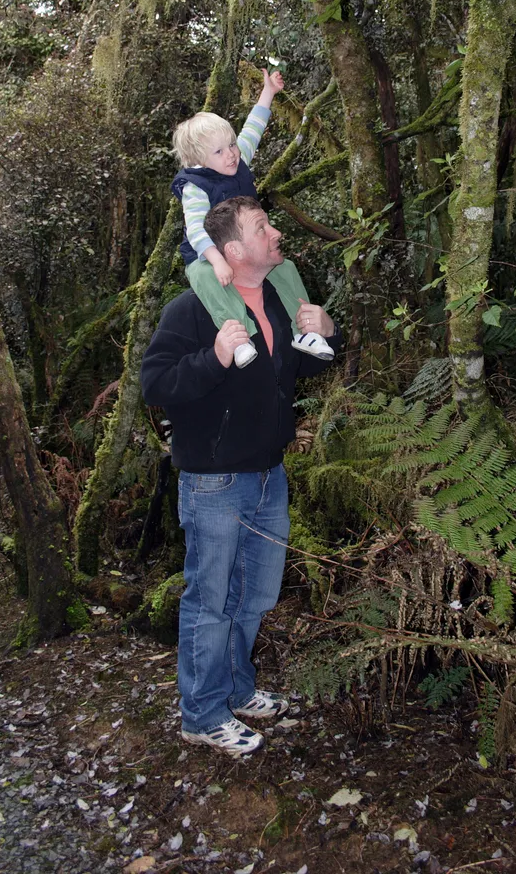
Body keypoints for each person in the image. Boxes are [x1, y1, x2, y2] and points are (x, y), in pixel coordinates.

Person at [141, 195, 341, 757]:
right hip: (214, 482)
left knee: (255, 595)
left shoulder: (277, 299)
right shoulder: (191, 309)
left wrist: (328, 331)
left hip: (268, 475)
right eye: (263, 227)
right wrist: (215, 358)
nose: (275, 233)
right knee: (210, 600)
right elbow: (154, 386)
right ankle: (202, 714)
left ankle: (237, 689)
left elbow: (300, 366)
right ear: (234, 249)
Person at [170, 68, 334, 368]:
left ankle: (304, 332)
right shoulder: (195, 187)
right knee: (206, 277)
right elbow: (194, 229)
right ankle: (240, 336)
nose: (231, 154)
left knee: (286, 268)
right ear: (198, 160)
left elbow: (253, 128)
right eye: (219, 151)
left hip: (245, 245)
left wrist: (268, 91)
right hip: (205, 253)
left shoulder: (238, 159)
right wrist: (217, 260)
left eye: (231, 145)